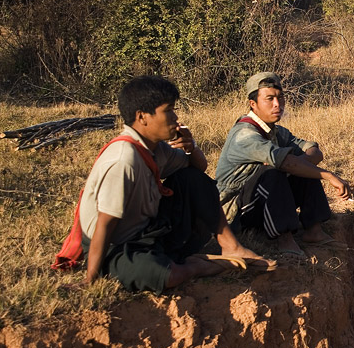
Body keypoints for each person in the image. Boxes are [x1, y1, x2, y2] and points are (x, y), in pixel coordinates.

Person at [68, 75, 272, 293]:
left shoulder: (154, 148)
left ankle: (231, 247)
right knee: (166, 275)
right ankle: (195, 267)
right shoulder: (123, 160)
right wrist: (91, 279)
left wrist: (190, 146)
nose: (175, 118)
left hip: (148, 230)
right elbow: (104, 225)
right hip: (116, 244)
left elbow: (198, 170)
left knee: (193, 179)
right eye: (168, 111)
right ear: (142, 117)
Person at [215, 71, 351, 257]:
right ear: (253, 104)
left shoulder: (275, 131)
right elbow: (286, 163)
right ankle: (285, 240)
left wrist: (299, 164)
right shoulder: (245, 134)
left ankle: (314, 231)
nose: (277, 104)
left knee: (298, 168)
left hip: (259, 203)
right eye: (269, 99)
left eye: (280, 98)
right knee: (274, 171)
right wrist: (327, 175)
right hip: (236, 214)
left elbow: (313, 150)